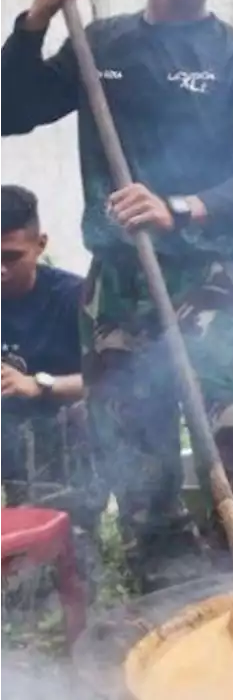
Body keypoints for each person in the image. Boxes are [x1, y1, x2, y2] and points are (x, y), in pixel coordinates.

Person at [0, 0, 233, 593]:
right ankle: (164, 600)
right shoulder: (101, 43)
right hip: (119, 286)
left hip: (208, 281)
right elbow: (10, 109)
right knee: (134, 452)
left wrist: (180, 206)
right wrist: (33, 21)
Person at [0, 186, 105, 596]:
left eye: (11, 258)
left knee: (80, 413)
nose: (0, 272)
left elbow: (108, 380)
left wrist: (39, 384)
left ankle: (77, 536)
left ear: (40, 245)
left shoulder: (74, 298)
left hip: (63, 434)